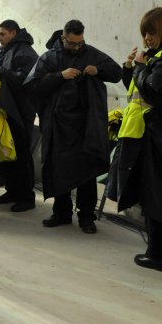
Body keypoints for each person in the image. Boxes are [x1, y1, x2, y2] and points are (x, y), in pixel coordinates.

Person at [107, 8, 162, 271]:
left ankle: (159, 255)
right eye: (145, 33)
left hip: (158, 137)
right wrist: (130, 70)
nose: (147, 38)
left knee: (158, 197)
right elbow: (138, 90)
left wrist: (140, 68)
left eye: (152, 32)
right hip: (159, 136)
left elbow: (154, 91)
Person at [24, 19, 122, 233]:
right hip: (58, 125)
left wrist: (98, 70)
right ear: (63, 38)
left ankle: (86, 217)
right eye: (71, 43)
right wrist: (59, 76)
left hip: (86, 126)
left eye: (80, 43)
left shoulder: (92, 54)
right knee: (59, 170)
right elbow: (33, 85)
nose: (76, 47)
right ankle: (61, 213)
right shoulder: (50, 58)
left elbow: (116, 72)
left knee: (86, 172)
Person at [0, 20, 39, 212]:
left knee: (21, 153)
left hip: (20, 110)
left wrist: (1, 73)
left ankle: (26, 197)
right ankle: (12, 191)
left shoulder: (26, 52)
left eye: (2, 34)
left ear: (14, 33)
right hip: (5, 109)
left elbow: (28, 80)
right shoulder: (4, 50)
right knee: (7, 151)